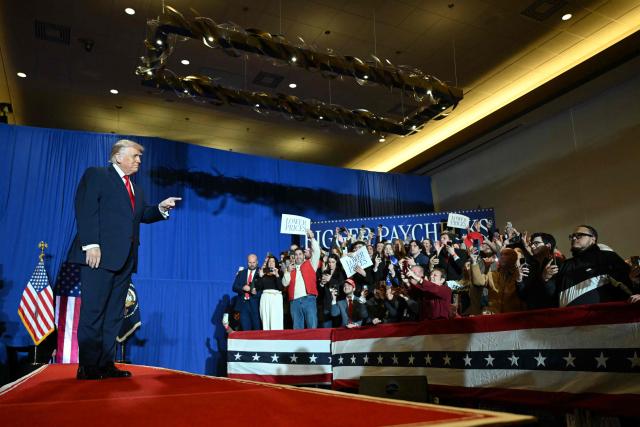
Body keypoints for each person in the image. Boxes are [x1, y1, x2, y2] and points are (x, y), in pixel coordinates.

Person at [68, 139, 180, 380]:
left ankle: (106, 364)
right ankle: (88, 366)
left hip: (125, 260)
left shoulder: (135, 189)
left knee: (114, 314)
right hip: (98, 256)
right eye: (135, 156)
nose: (139, 161)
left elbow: (140, 215)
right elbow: (85, 207)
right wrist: (91, 244)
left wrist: (159, 209)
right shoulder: (97, 175)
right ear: (118, 156)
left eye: (140, 157)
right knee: (94, 312)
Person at [544, 225, 633, 307]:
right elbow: (553, 296)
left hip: (600, 319)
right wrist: (546, 279)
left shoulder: (606, 257)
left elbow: (627, 281)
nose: (574, 238)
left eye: (579, 235)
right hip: (568, 320)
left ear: (593, 239)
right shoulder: (565, 265)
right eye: (572, 236)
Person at [282, 229, 320, 329]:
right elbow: (285, 284)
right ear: (293, 257)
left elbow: (317, 252)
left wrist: (312, 238)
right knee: (297, 329)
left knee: (312, 326)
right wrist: (287, 271)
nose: (298, 256)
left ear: (304, 256)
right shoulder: (290, 268)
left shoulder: (311, 264)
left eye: (300, 254)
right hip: (294, 302)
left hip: (309, 299)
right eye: (296, 255)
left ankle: (313, 345)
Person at [471, 248, 526, 314]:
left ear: (514, 258)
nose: (502, 257)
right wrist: (474, 262)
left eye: (506, 254)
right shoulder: (493, 274)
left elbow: (525, 296)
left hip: (513, 318)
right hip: (495, 317)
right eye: (501, 255)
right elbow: (478, 282)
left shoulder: (521, 274)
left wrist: (519, 280)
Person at [232, 254, 261, 331]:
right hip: (243, 305)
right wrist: (243, 288)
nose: (252, 264)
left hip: (256, 305)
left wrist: (254, 292)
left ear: (257, 262)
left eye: (253, 262)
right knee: (245, 331)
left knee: (257, 330)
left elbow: (263, 289)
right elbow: (234, 287)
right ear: (247, 262)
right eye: (250, 262)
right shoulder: (242, 273)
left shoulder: (260, 272)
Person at [255, 255, 284, 330]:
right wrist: (260, 276)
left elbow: (281, 288)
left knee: (276, 321)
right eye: (269, 261)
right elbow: (258, 288)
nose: (271, 263)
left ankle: (277, 339)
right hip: (265, 298)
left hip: (276, 298)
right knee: (266, 320)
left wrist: (277, 276)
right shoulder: (263, 273)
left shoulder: (280, 272)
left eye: (273, 261)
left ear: (276, 263)